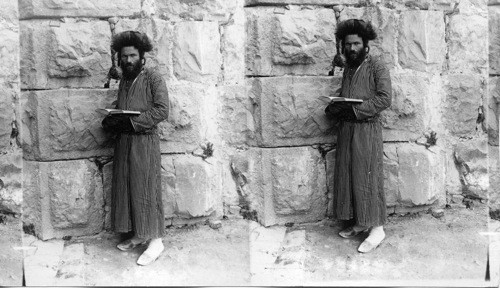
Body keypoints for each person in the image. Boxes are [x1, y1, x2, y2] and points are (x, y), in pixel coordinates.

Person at [102, 30, 169, 265]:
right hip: (124, 142)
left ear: (142, 57)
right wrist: (113, 118)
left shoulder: (153, 78)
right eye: (124, 56)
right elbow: (123, 105)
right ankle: (140, 234)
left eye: (132, 55)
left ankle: (156, 240)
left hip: (144, 142)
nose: (127, 60)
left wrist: (132, 122)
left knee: (147, 187)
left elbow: (162, 110)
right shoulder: (125, 79)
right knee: (129, 187)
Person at [325, 19, 392, 253]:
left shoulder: (377, 66)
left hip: (367, 130)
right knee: (350, 175)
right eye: (348, 44)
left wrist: (354, 110)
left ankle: (377, 228)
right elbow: (347, 94)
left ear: (365, 44)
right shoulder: (350, 66)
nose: (352, 48)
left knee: (368, 176)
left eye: (356, 43)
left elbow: (384, 98)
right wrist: (335, 107)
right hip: (347, 130)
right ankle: (361, 222)